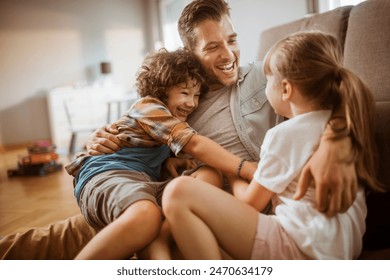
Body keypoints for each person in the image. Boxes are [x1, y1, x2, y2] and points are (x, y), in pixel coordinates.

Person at [0, 0, 357, 260]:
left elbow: (340, 86)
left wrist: (335, 141)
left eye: (231, 40)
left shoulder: (266, 76)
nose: (229, 54)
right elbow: (142, 126)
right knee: (49, 241)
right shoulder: (178, 99)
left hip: (235, 208)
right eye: (213, 46)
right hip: (155, 192)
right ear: (190, 52)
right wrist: (104, 136)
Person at [162, 31, 384, 260]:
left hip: (299, 246)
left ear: (286, 89)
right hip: (341, 251)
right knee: (190, 243)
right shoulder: (347, 124)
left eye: (267, 81)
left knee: (177, 192)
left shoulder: (285, 134)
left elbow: (250, 204)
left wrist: (232, 173)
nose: (265, 87)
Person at [66, 48, 256, 260]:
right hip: (108, 173)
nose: (192, 103)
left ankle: (160, 237)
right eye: (184, 93)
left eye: (196, 96)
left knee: (210, 174)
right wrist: (245, 168)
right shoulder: (149, 106)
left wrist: (169, 160)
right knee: (145, 216)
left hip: (143, 181)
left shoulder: (171, 119)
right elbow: (193, 144)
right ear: (161, 89)